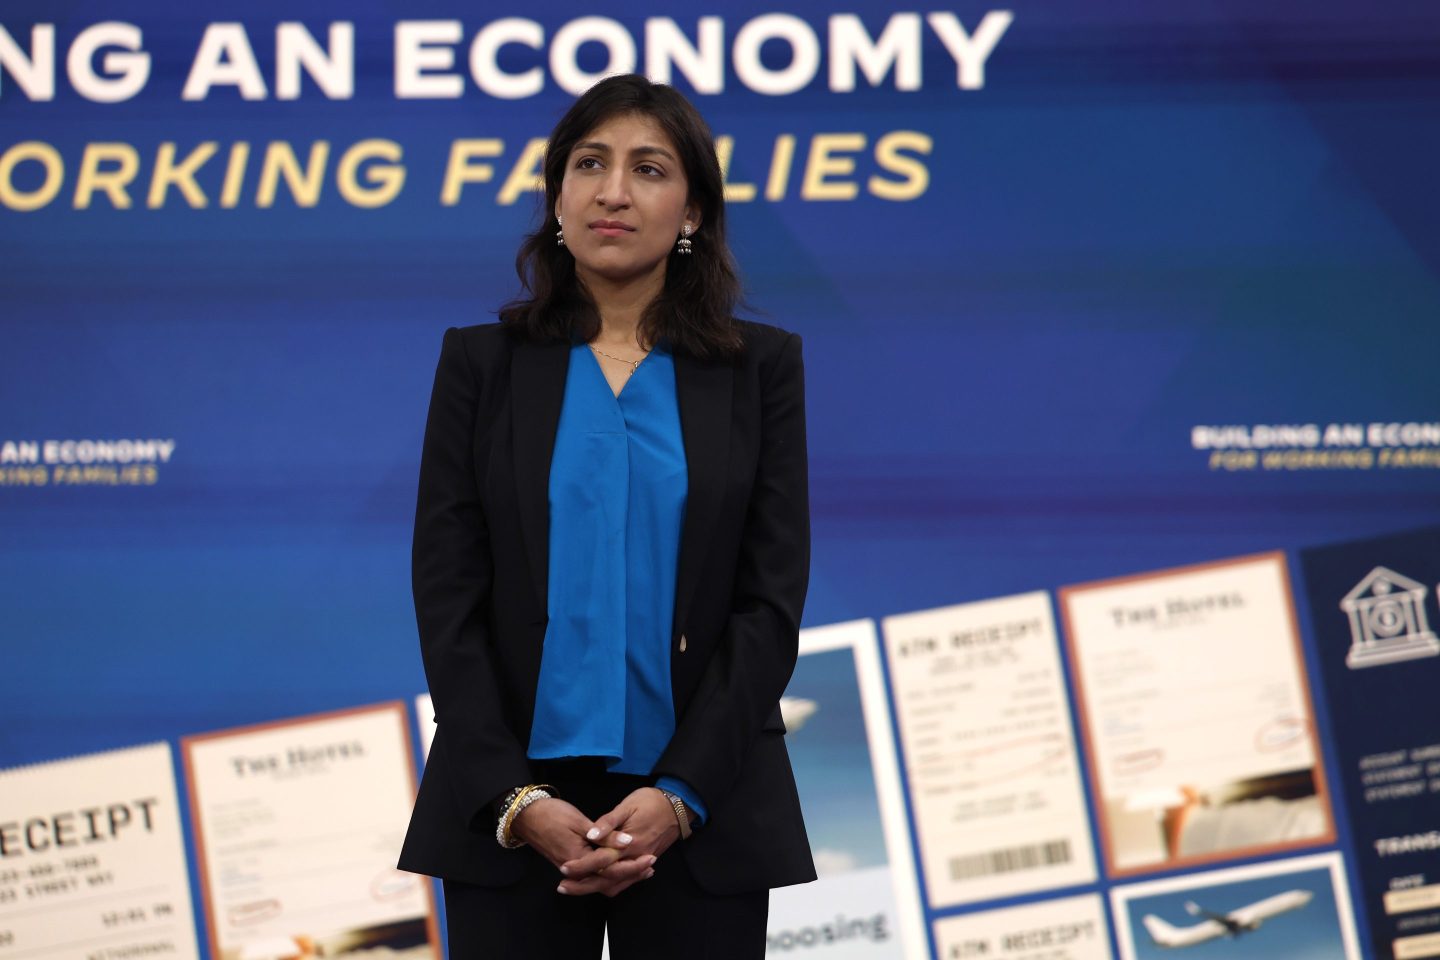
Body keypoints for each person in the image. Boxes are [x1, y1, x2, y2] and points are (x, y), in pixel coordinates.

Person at [397, 74, 815, 958]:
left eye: (648, 169)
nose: (613, 191)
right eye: (589, 164)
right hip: (513, 812)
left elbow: (769, 603)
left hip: (703, 806)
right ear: (557, 197)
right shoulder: (481, 364)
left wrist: (681, 795)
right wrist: (515, 799)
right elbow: (447, 597)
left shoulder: (760, 369)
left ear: (692, 211)